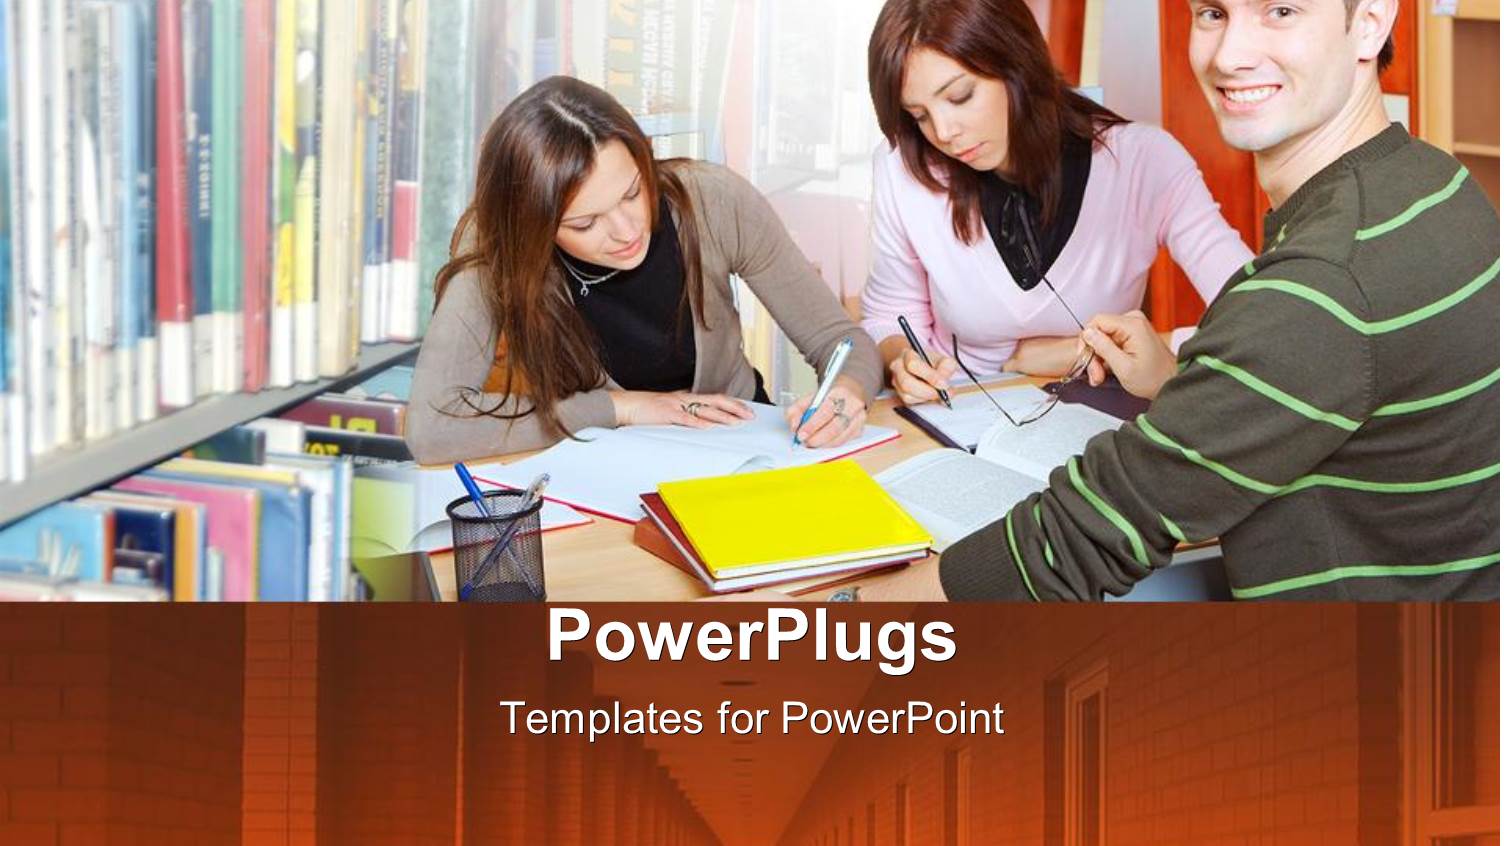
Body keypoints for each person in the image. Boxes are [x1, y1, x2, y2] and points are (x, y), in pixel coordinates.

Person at [811, 0, 1499, 601]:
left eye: (1281, 11)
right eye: (1211, 13)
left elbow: (1085, 535)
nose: (1230, 54)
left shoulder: (1319, 282)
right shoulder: (1439, 185)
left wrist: (840, 625)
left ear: (1371, 22)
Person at [405, 77, 883, 463]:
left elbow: (843, 342)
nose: (625, 229)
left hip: (741, 456)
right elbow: (430, 426)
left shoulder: (714, 202)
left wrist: (846, 392)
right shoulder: (496, 254)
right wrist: (622, 408)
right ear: (533, 229)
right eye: (585, 222)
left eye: (633, 191)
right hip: (604, 481)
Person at [862, 0, 1253, 405]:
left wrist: (1106, 348)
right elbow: (887, 315)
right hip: (954, 415)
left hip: (1097, 417)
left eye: (960, 96)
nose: (943, 132)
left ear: (1016, 61)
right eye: (919, 115)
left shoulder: (1145, 161)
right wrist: (901, 361)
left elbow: (1264, 316)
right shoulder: (901, 168)